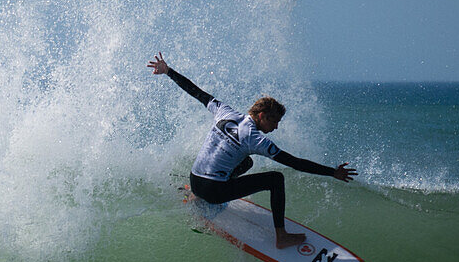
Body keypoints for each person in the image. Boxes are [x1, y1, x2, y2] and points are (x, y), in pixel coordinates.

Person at [148, 52, 356, 249]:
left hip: (195, 180)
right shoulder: (255, 139)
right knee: (276, 179)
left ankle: (196, 197)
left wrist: (168, 71)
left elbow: (196, 92)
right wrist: (332, 172)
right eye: (275, 121)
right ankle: (281, 236)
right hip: (214, 191)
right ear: (263, 115)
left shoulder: (224, 111)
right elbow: (295, 163)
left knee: (247, 162)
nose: (275, 127)